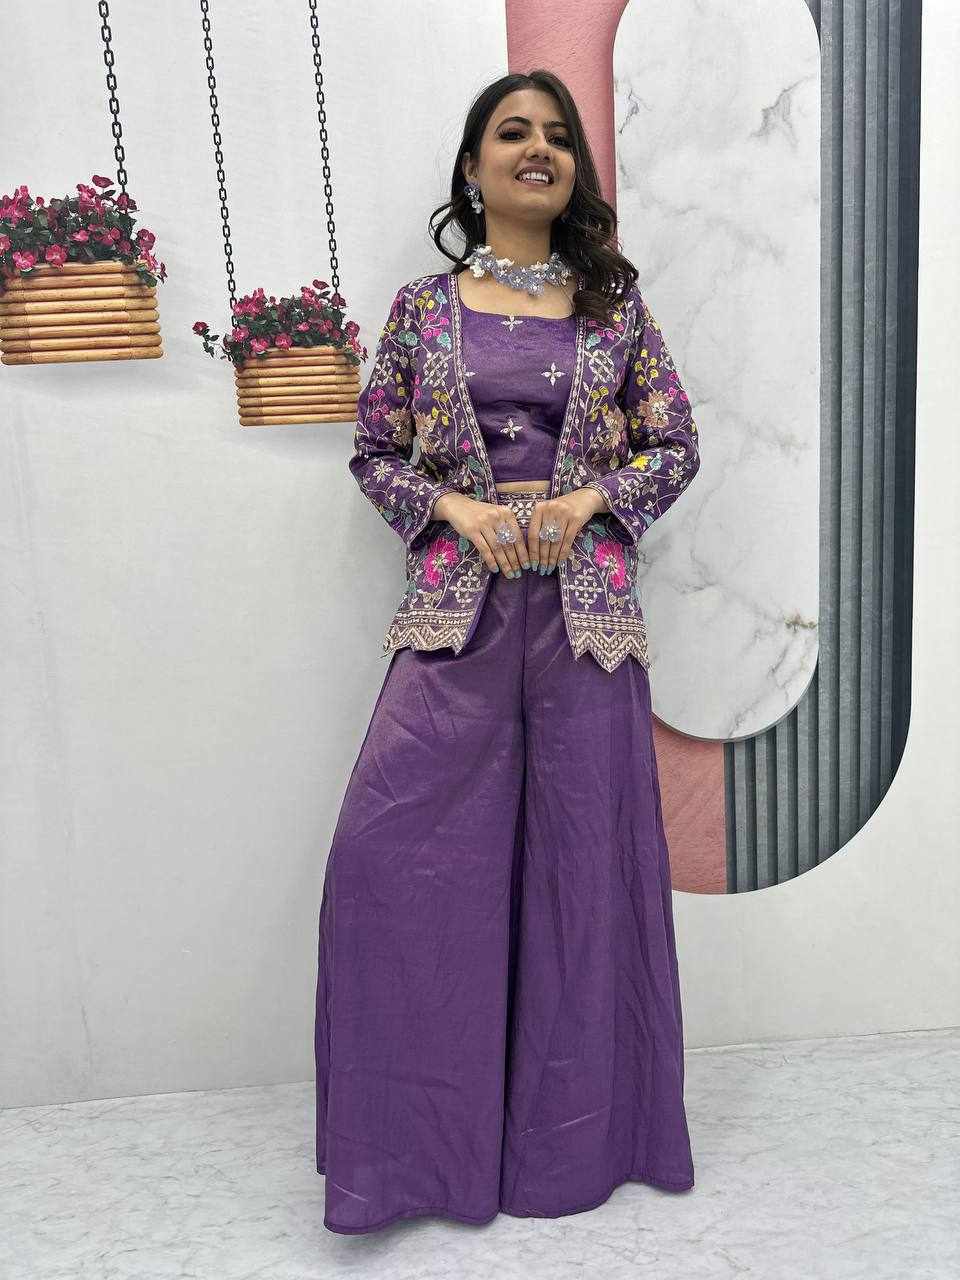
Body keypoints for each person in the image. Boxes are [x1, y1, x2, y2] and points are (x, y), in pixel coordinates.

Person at [315, 69, 700, 1235]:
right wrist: (454, 509)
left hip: (586, 622)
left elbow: (675, 443)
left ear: (574, 171)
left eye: (556, 136)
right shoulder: (422, 310)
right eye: (512, 131)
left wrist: (588, 501)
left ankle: (574, 1152)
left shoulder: (616, 310)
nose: (538, 148)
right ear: (475, 167)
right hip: (457, 614)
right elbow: (376, 449)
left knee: (584, 875)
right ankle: (413, 1157)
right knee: (393, 857)